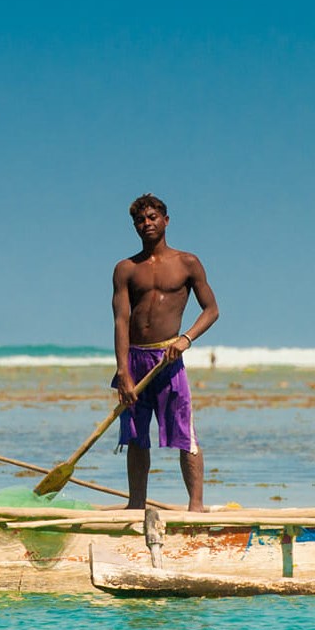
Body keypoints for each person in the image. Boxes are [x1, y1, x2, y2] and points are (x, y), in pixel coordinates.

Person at [113, 193, 219, 512]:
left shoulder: (187, 263)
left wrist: (185, 339)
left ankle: (196, 507)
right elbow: (120, 320)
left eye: (152, 218)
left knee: (184, 434)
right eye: (140, 220)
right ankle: (135, 506)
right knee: (134, 437)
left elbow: (211, 310)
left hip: (168, 360)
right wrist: (122, 371)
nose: (146, 224)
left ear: (166, 220)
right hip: (135, 358)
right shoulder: (126, 269)